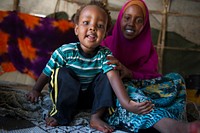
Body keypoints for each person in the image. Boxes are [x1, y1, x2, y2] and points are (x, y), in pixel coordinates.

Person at [26, 1, 154, 133]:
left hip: (90, 100)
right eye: (86, 23)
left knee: (108, 75)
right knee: (62, 73)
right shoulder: (64, 52)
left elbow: (114, 79)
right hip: (67, 96)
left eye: (99, 26)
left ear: (104, 34)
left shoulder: (105, 55)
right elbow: (46, 73)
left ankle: (96, 117)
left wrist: (127, 104)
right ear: (76, 29)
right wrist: (36, 90)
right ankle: (61, 114)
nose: (93, 28)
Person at [101, 0, 200, 133]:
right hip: (121, 96)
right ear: (120, 19)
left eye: (138, 20)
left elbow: (152, 76)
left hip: (144, 88)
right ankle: (172, 126)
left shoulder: (147, 49)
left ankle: (173, 117)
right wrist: (120, 74)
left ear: (144, 25)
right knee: (128, 90)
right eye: (127, 18)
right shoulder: (106, 45)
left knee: (177, 80)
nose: (131, 24)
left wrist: (130, 73)